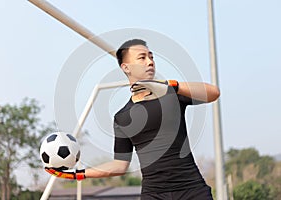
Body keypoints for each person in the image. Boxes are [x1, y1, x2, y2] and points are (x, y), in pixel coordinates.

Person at [46, 39, 220, 200]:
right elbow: (120, 165)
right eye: (142, 58)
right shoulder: (122, 117)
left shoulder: (173, 95)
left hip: (192, 189)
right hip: (154, 194)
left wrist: (173, 85)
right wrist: (79, 174)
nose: (150, 62)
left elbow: (213, 93)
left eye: (151, 57)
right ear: (126, 67)